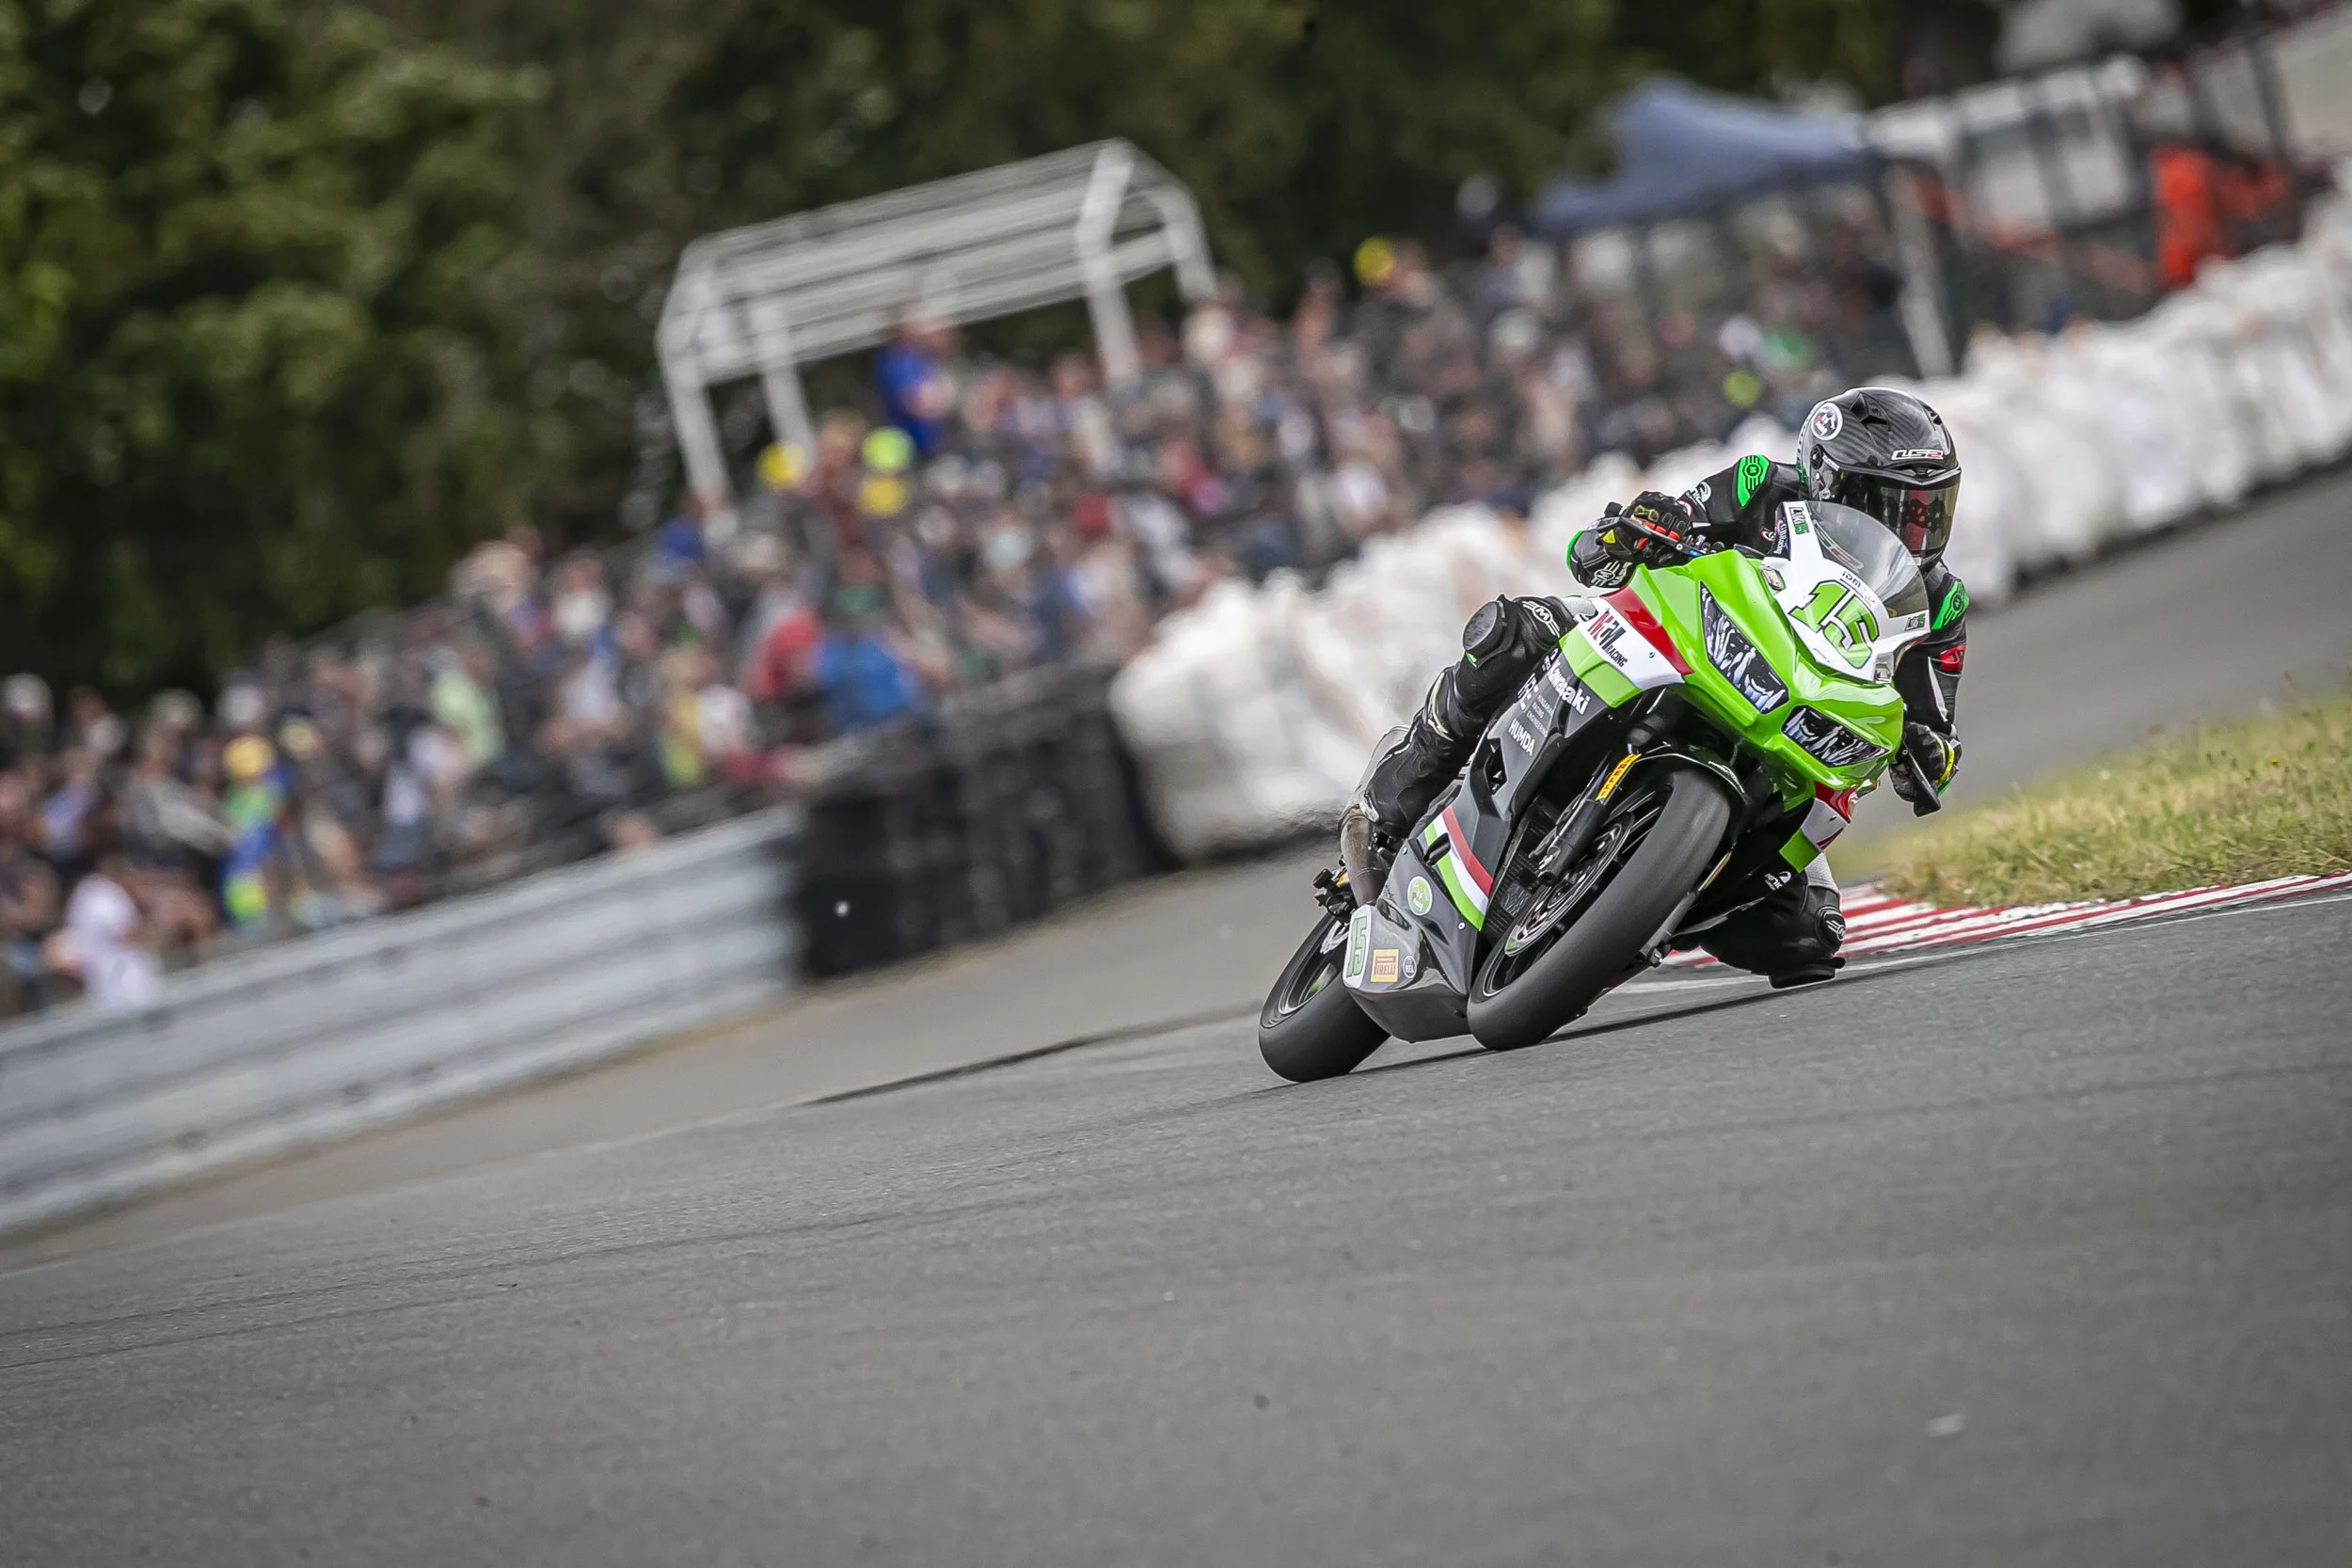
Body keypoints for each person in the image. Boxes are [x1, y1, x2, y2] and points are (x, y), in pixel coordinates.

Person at [1345, 386, 1971, 987]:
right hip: (1681, 643)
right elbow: (1660, 525)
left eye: (1930, 510)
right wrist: (1638, 530)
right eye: (1901, 508)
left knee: (1810, 939)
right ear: (1835, 481)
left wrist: (1928, 753)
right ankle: (1406, 776)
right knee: (1518, 632)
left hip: (1793, 739)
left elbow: (1934, 725)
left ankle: (1638, 904)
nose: (1917, 531)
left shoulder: (1938, 603)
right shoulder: (1763, 487)